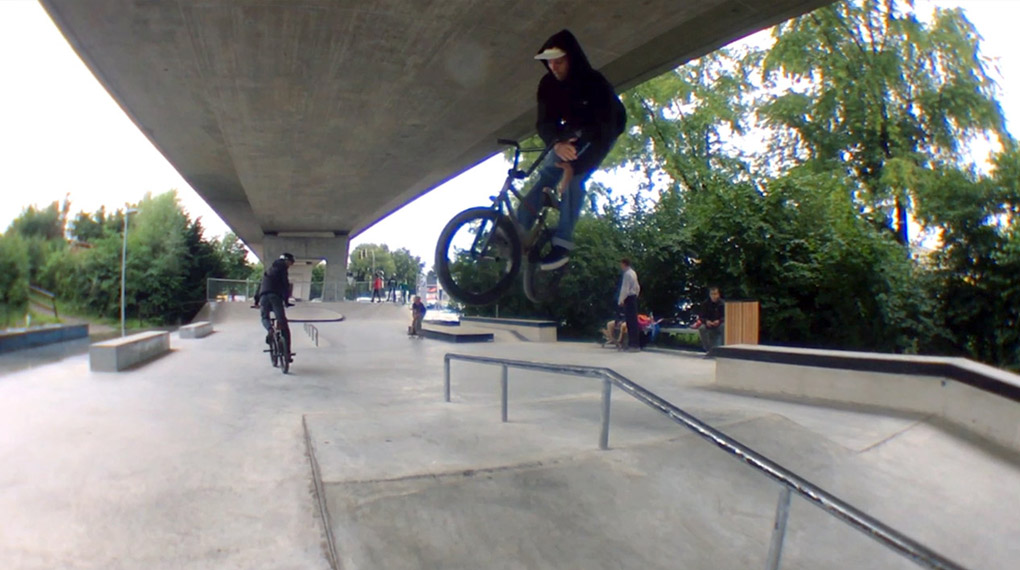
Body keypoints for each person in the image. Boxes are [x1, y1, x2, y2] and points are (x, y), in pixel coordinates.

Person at [517, 29, 627, 271]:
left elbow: (603, 132)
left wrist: (575, 167)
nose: (554, 67)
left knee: (574, 179)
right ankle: (516, 229)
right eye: (550, 63)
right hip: (573, 126)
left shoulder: (595, 84)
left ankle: (562, 246)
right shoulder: (547, 85)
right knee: (547, 173)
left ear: (572, 59)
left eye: (559, 62)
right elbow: (545, 123)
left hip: (604, 127)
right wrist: (556, 143)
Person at [258, 253, 295, 362]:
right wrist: (286, 301)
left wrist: (256, 301)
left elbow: (260, 286)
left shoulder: (269, 270)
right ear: (287, 261)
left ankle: (270, 330)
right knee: (283, 323)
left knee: (264, 318)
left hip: (263, 297)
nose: (290, 266)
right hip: (275, 296)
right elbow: (285, 285)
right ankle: (287, 354)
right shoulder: (282, 268)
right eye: (291, 263)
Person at [617, 258, 641, 352]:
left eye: (621, 264)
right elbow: (637, 286)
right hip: (633, 297)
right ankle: (635, 344)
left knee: (630, 322)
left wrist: (621, 300)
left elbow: (625, 288)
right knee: (633, 321)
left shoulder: (627, 274)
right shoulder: (633, 273)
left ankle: (632, 345)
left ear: (624, 264)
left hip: (629, 297)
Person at [697, 286, 725, 353]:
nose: (713, 296)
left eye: (715, 294)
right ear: (709, 295)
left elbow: (726, 316)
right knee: (701, 328)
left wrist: (719, 321)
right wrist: (706, 321)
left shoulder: (722, 304)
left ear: (718, 294)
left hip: (719, 324)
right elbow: (701, 316)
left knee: (724, 327)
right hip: (708, 324)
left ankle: (723, 348)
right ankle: (708, 349)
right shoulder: (705, 304)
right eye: (712, 294)